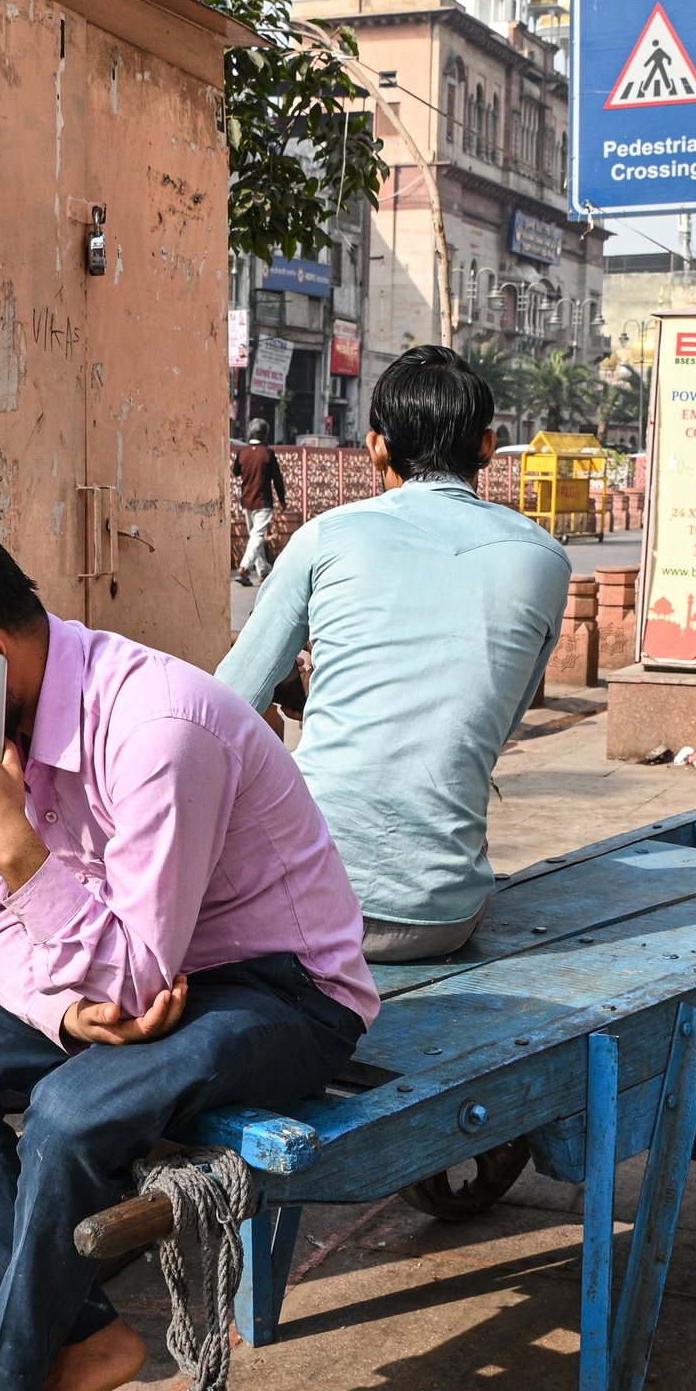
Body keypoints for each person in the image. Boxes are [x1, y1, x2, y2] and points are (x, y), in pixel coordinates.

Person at [0, 514, 375, 1391]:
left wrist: (16, 845)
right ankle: (86, 1337)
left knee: (71, 1108)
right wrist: (61, 1013)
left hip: (280, 991)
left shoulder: (159, 726)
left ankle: (0, 1373)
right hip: (116, 974)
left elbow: (135, 973)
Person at [217, 345, 571, 962]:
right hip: (443, 915)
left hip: (304, 902)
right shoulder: (545, 559)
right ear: (487, 446)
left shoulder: (327, 536)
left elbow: (224, 711)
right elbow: (493, 717)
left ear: (377, 446)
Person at [231, 418, 286, 587]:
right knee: (257, 536)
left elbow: (236, 471)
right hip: (263, 502)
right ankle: (245, 568)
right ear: (264, 434)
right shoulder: (267, 453)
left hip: (247, 501)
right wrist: (282, 500)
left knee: (255, 536)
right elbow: (277, 480)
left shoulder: (243, 453)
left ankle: (263, 571)